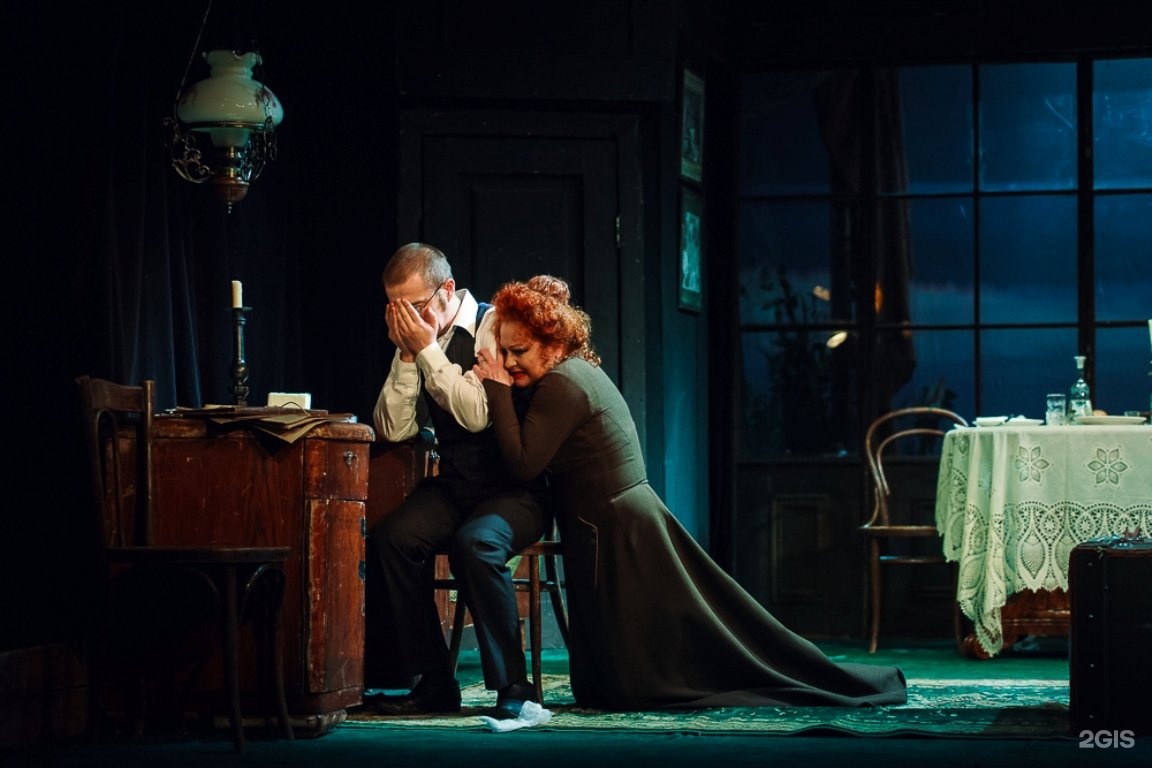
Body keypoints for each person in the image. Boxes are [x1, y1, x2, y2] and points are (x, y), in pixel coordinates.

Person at [473, 275, 908, 710]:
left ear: (552, 344)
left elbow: (524, 462)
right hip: (609, 523)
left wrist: (496, 388)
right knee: (623, 671)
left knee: (655, 669)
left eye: (519, 351)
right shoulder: (568, 374)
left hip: (616, 528)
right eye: (504, 352)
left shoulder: (563, 383)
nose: (509, 362)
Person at [364, 244, 549, 719]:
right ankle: (433, 682)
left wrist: (425, 349)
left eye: (416, 306)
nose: (408, 319)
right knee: (392, 538)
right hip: (457, 484)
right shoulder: (418, 342)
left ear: (447, 290)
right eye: (396, 309)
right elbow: (394, 429)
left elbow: (477, 415)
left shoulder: (492, 325)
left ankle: (514, 684)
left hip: (514, 488)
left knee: (476, 543)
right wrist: (408, 355)